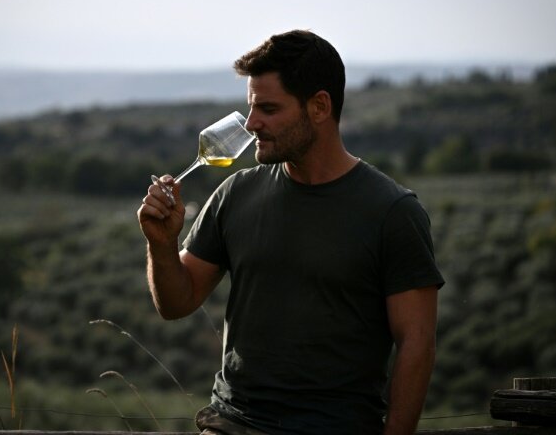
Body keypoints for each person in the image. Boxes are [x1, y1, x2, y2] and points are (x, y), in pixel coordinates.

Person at [138, 29, 444, 435]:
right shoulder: (236, 192)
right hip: (232, 425)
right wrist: (162, 246)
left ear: (319, 106)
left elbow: (416, 343)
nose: (251, 124)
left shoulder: (392, 211)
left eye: (267, 108)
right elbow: (176, 303)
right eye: (250, 108)